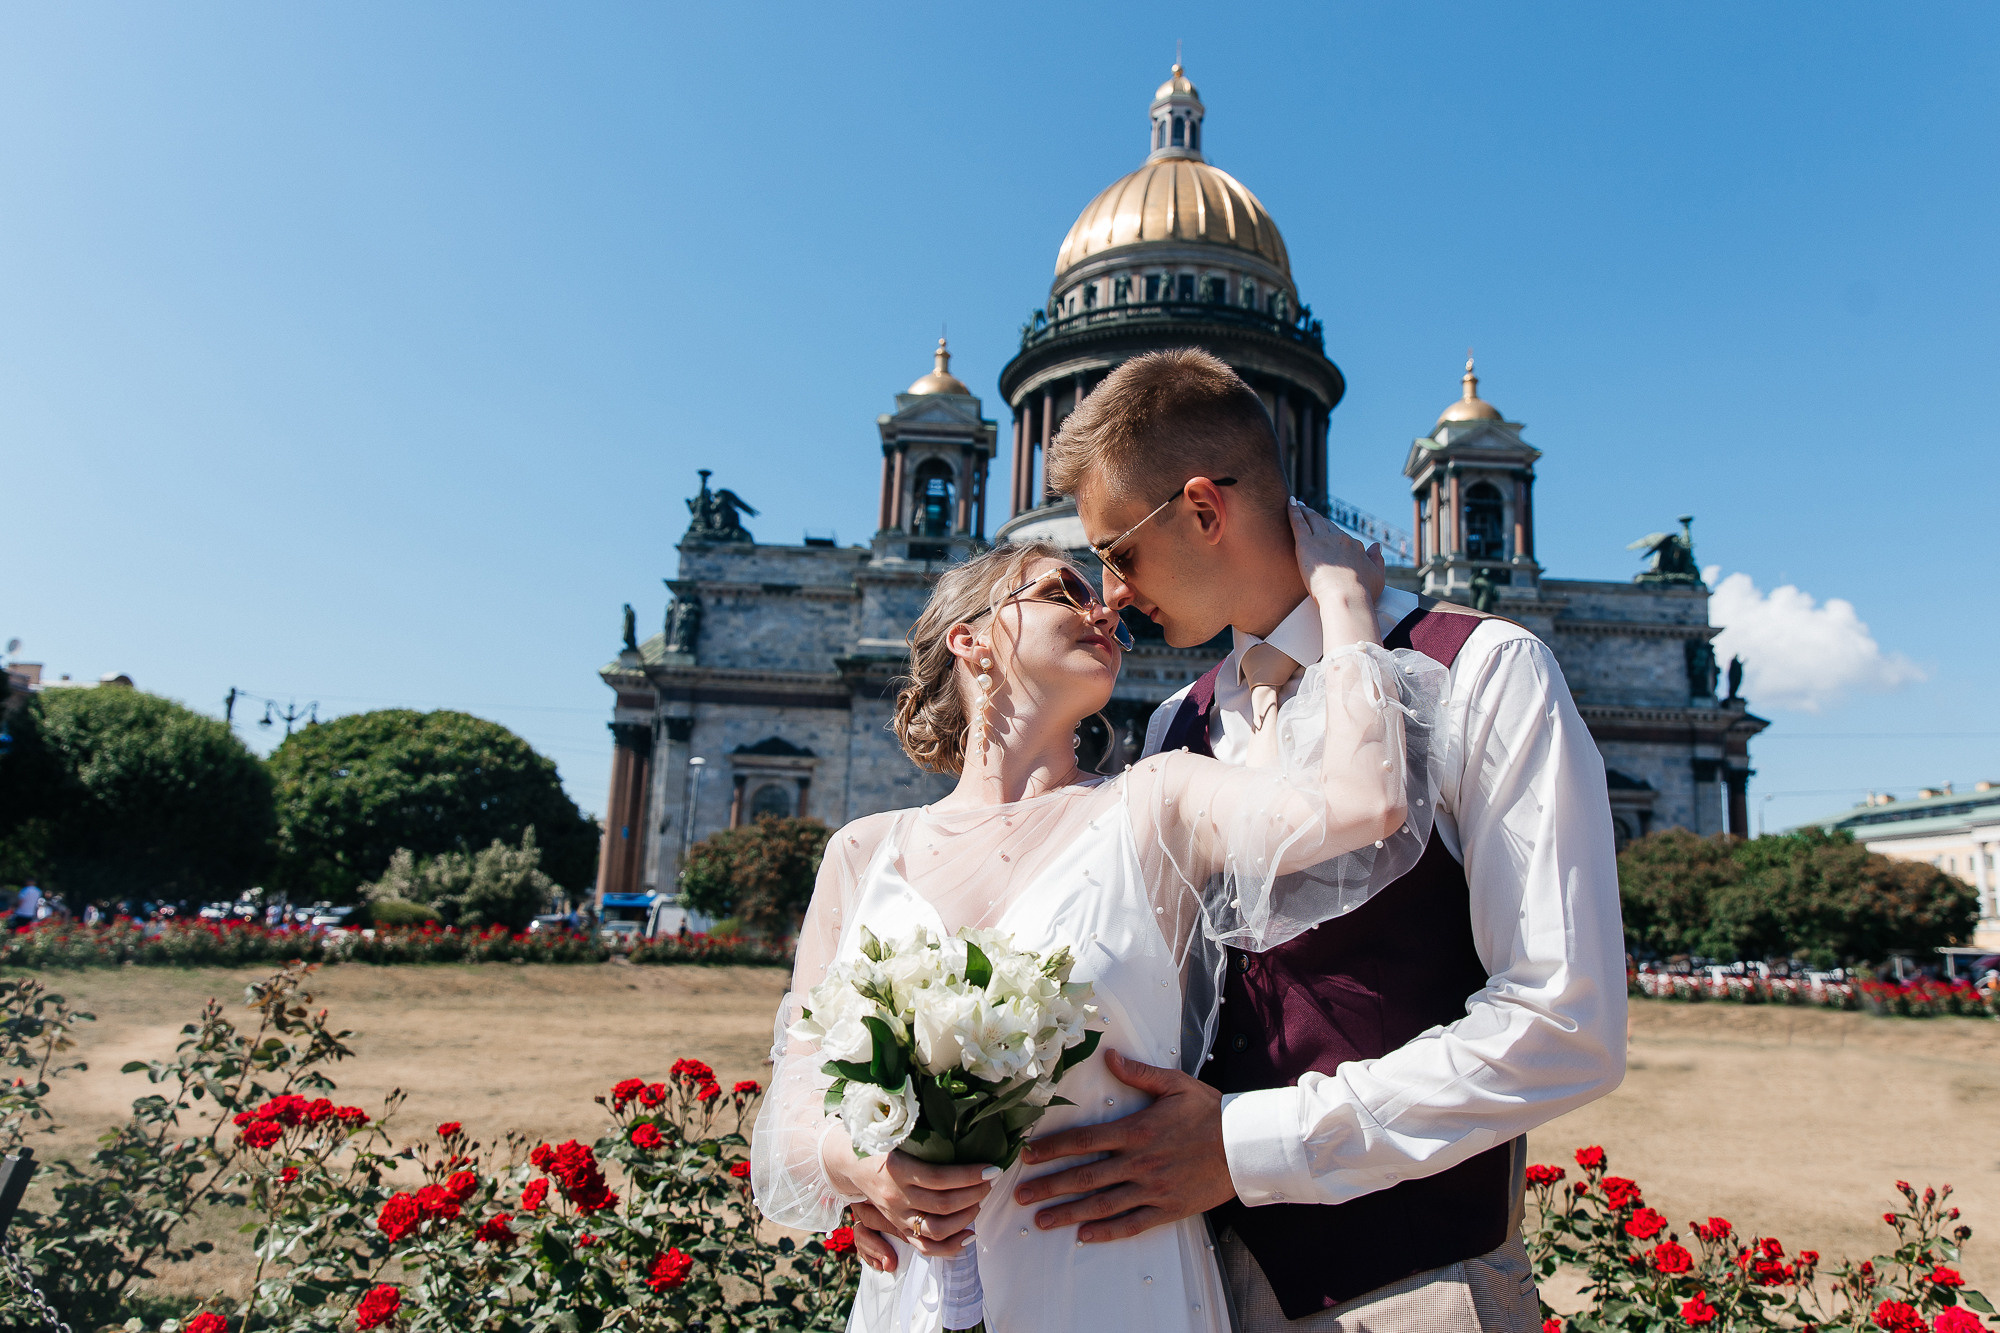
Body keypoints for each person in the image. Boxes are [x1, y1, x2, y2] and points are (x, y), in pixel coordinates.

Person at [979, 348, 1624, 1331]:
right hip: (1181, 1286)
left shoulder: (1483, 669)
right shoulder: (1173, 727)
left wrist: (1246, 1144)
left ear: (1202, 509)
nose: (1108, 594)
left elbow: (1563, 1024)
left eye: (1117, 551)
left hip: (1415, 1292)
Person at [752, 519, 1446, 1333]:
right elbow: (797, 1097)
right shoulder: (864, 850)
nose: (1107, 609)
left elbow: (1366, 803)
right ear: (970, 639)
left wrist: (1341, 598)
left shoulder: (1158, 803)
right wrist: (862, 1165)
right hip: (912, 1291)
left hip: (1117, 1282)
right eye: (1062, 591)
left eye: (1104, 597)